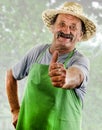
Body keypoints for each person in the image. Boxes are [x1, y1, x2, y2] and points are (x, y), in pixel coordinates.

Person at [5, 2, 96, 130]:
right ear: (53, 27)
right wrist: (15, 111)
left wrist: (66, 78)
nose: (66, 30)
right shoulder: (37, 52)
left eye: (73, 27)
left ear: (80, 35)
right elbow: (11, 75)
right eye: (62, 24)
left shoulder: (80, 60)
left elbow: (77, 75)